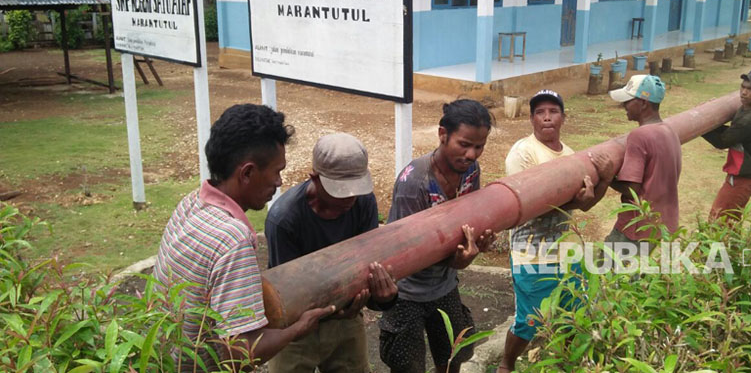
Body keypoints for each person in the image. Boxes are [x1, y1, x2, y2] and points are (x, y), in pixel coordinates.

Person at [153, 104, 334, 371]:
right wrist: (298, 329)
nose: (279, 182)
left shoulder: (191, 202)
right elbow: (239, 352)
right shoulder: (232, 240)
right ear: (247, 173)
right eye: (276, 171)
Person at [379, 99, 496, 373]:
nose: (471, 155)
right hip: (407, 291)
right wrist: (458, 260)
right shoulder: (414, 183)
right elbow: (410, 249)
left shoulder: (470, 172)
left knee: (454, 355)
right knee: (409, 366)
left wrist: (478, 241)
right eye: (464, 144)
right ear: (443, 134)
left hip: (444, 286)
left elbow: (471, 217)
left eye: (479, 146)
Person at [264, 132, 398, 373]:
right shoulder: (284, 219)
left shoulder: (363, 202)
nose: (349, 197)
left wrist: (382, 298)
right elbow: (286, 294)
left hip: (346, 321)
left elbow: (368, 264)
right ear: (314, 177)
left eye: (355, 188)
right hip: (294, 331)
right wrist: (336, 304)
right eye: (340, 189)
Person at [497, 90, 604, 373]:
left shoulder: (570, 155)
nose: (546, 117)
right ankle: (506, 364)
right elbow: (526, 202)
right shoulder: (523, 152)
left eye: (553, 111)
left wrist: (594, 190)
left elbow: (583, 204)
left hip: (566, 246)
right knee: (530, 319)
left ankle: (563, 361)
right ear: (532, 119)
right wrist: (574, 200)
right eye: (540, 112)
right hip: (530, 248)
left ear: (563, 118)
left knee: (572, 309)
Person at [605, 75, 682, 250]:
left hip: (637, 224)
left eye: (628, 101)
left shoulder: (639, 136)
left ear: (644, 103)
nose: (624, 105)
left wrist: (608, 175)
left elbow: (632, 189)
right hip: (659, 223)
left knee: (609, 271)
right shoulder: (670, 131)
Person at [702, 68, 751, 222]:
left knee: (718, 219)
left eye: (750, 89)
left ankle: (720, 246)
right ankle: (734, 246)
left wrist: (700, 124)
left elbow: (722, 141)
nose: (744, 92)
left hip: (744, 178)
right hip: (746, 175)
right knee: (730, 220)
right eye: (743, 87)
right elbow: (733, 132)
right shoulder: (748, 108)